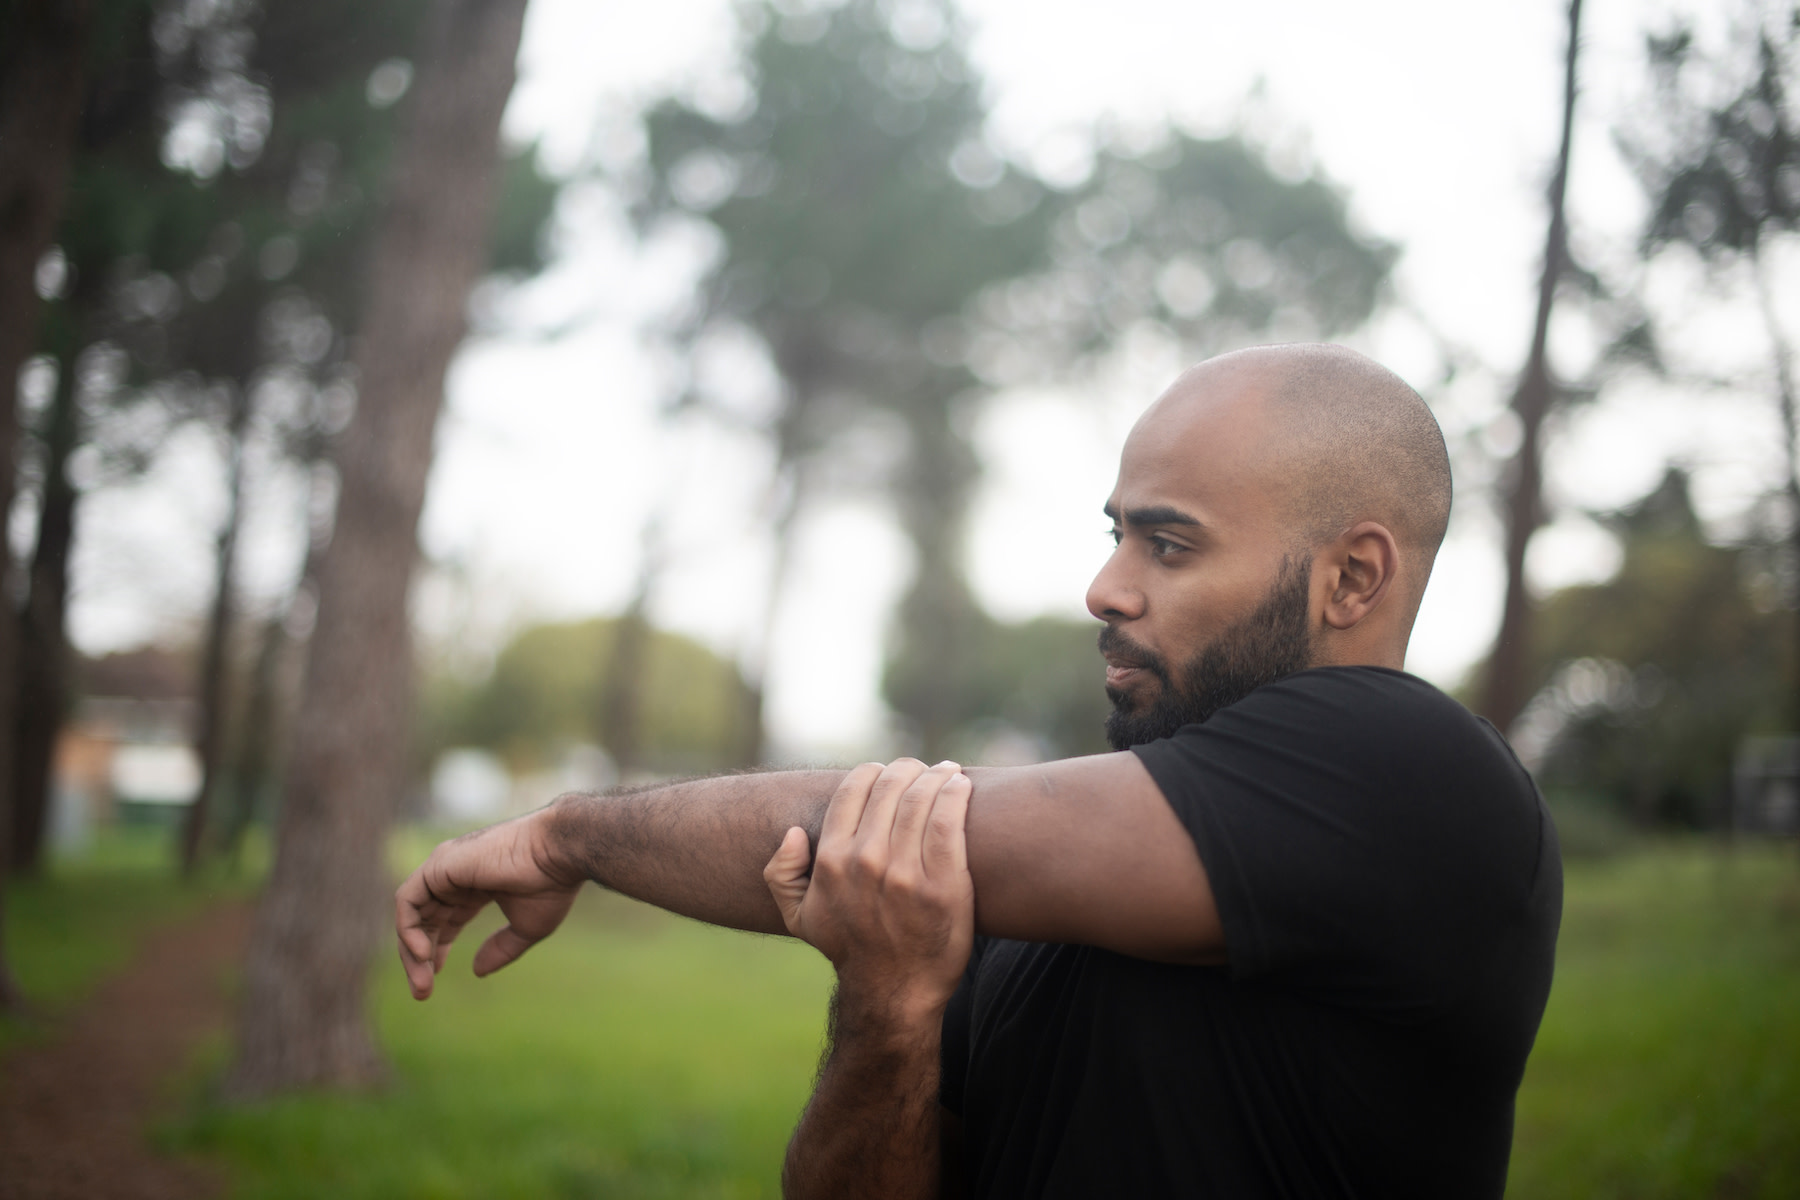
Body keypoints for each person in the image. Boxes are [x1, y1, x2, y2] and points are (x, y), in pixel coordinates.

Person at [395, 343, 1562, 1198]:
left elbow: (889, 822)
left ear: (1353, 579)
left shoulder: (1412, 771)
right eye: (1116, 536)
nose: (1106, 588)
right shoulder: (1051, 883)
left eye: (1169, 541)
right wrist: (889, 1017)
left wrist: (567, 839)